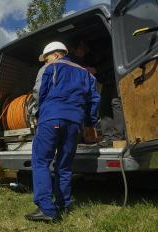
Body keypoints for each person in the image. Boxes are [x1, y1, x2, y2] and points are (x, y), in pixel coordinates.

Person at [25, 41, 100, 222]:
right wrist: (90, 123)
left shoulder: (51, 67)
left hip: (51, 118)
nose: (45, 62)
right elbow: (94, 98)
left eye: (47, 58)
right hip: (74, 123)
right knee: (64, 165)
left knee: (41, 161)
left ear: (57, 55)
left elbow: (38, 91)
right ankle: (63, 205)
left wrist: (37, 112)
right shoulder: (85, 73)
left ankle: (46, 209)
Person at [69, 39, 125, 147]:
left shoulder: (101, 46)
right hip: (105, 82)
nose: (78, 55)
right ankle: (108, 137)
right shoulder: (86, 57)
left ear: (81, 45)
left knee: (116, 103)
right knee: (103, 107)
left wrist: (96, 69)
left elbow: (114, 60)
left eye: (77, 51)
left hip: (116, 78)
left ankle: (118, 136)